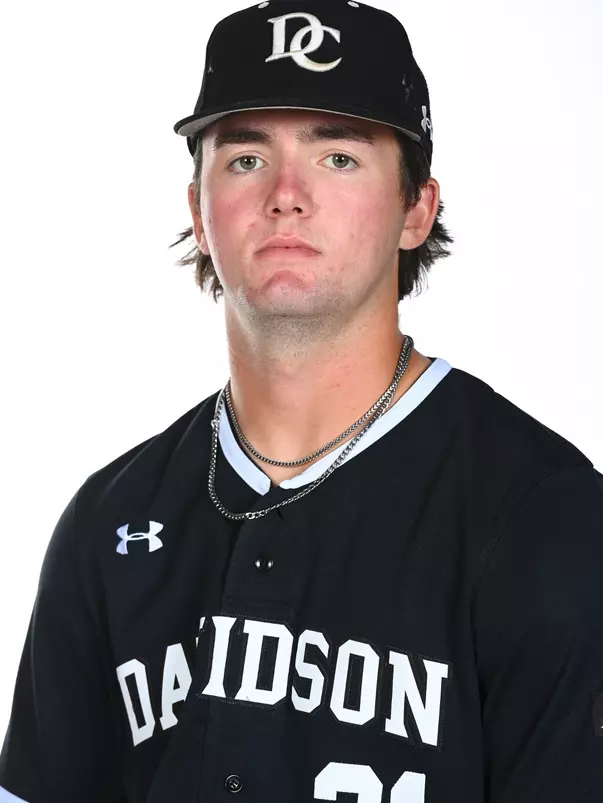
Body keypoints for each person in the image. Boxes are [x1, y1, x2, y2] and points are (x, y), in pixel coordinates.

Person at [1, 1, 602, 801]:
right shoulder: (108, 519)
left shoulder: (545, 512)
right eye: (245, 159)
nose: (286, 194)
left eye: (338, 157)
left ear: (415, 208)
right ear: (198, 209)